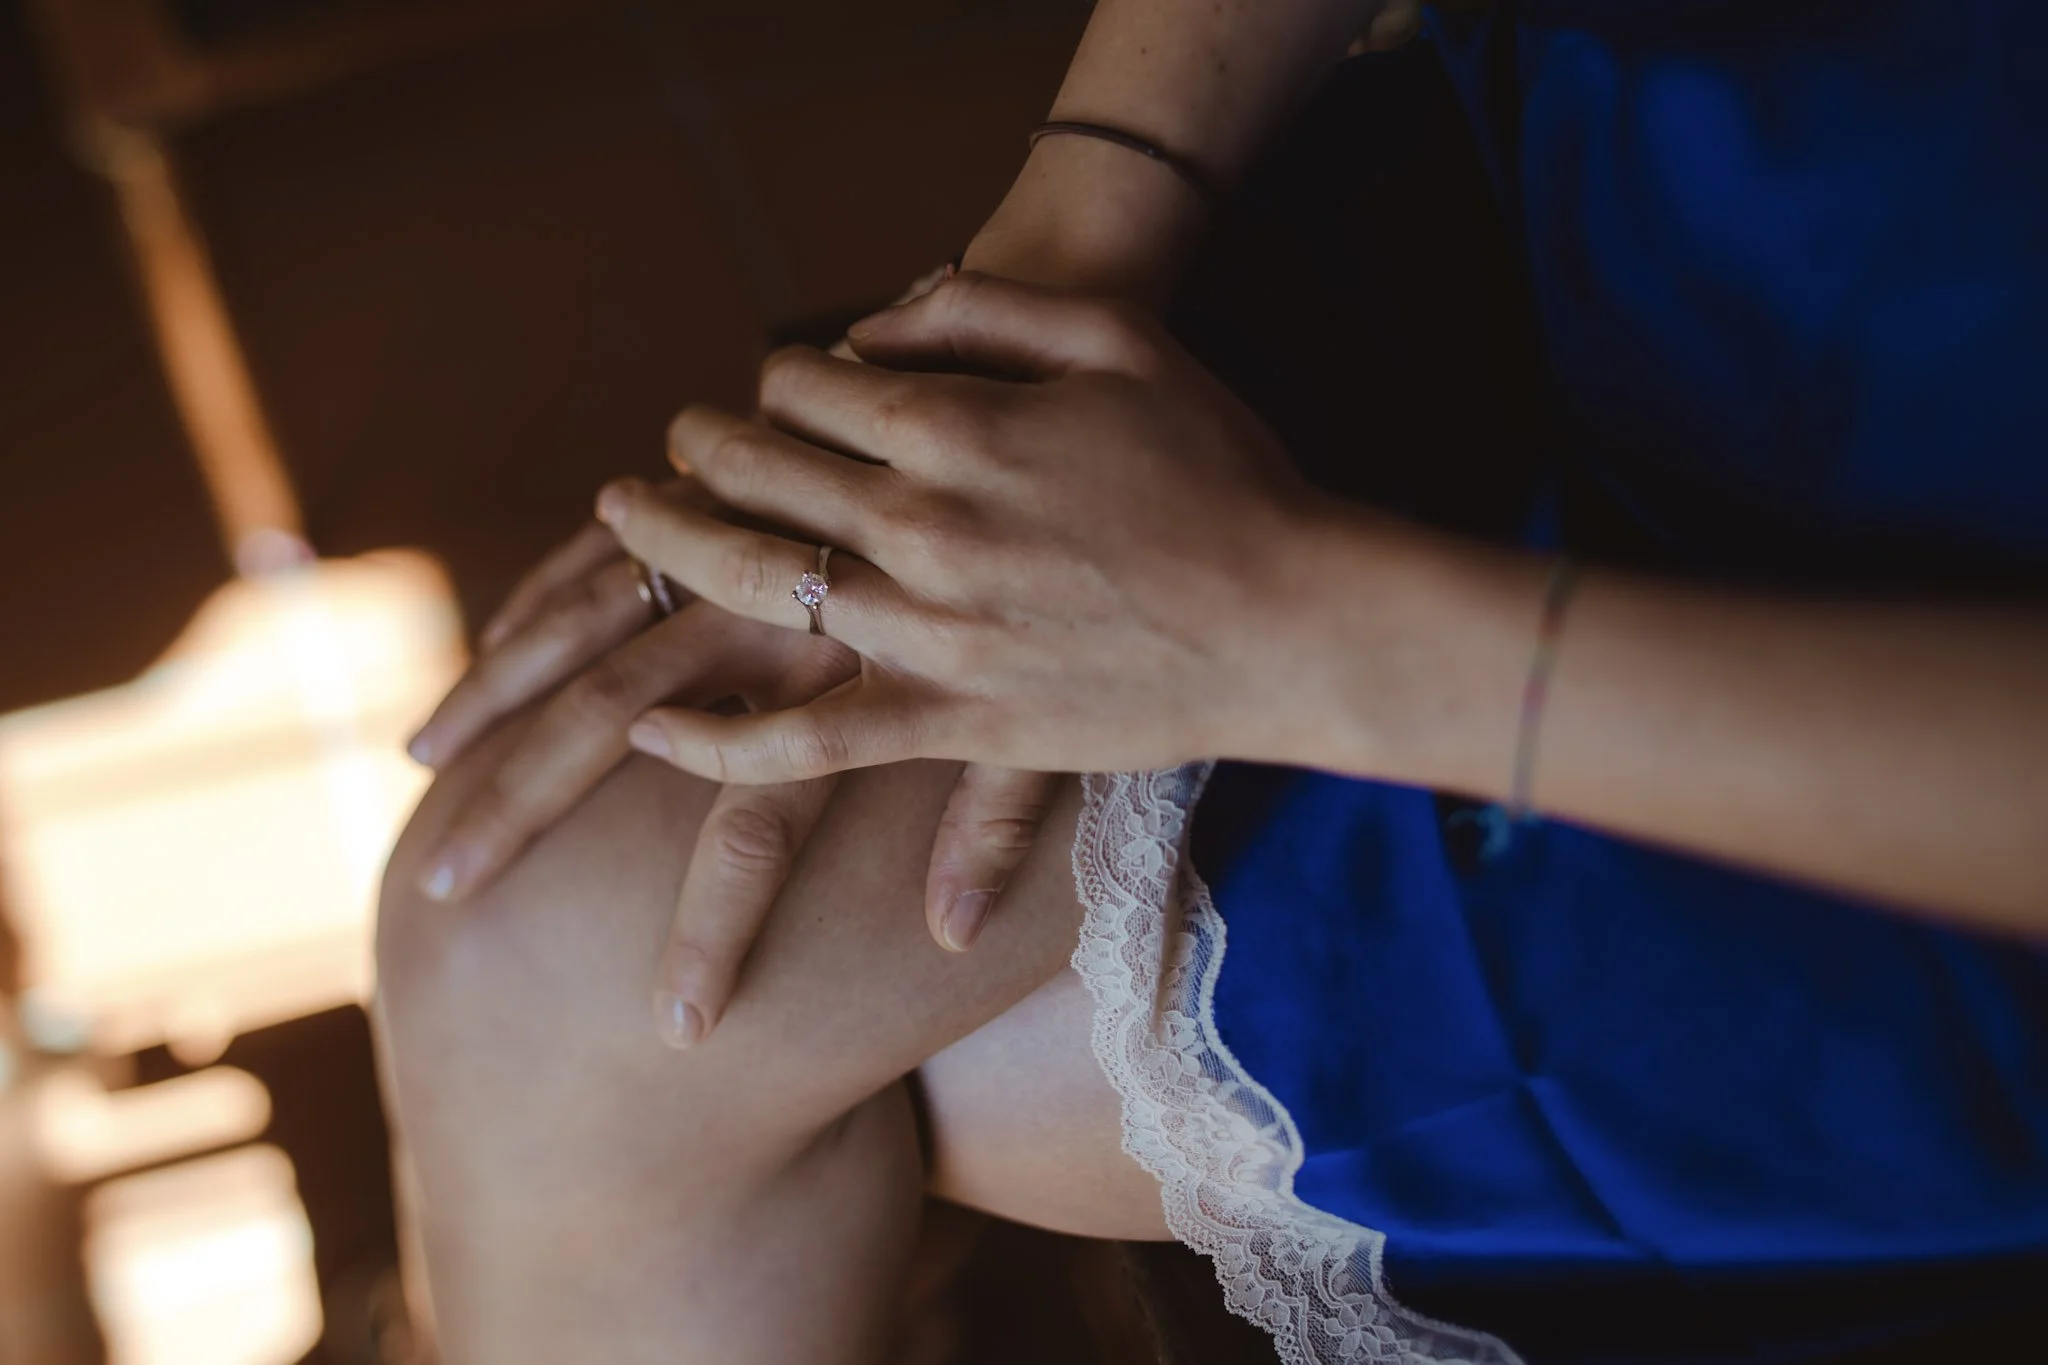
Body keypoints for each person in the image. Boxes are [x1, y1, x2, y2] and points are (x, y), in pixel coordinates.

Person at [375, 1, 2048, 1361]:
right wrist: (1067, 245)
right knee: (577, 924)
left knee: (580, 979)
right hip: (1640, 180)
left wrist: (1286, 627)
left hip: (1888, 750)